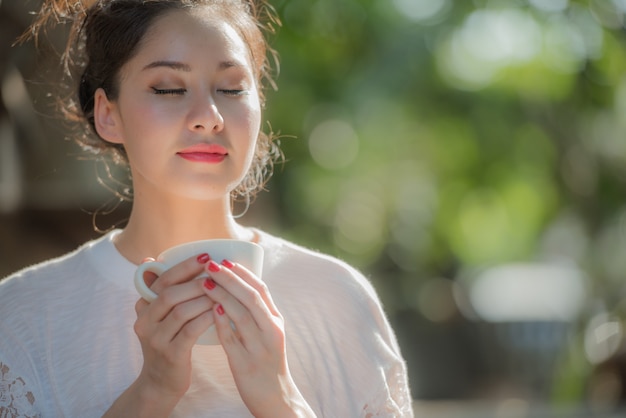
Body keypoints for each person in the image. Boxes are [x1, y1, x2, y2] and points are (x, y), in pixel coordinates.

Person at [0, 0, 413, 416]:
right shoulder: (22, 318)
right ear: (109, 114)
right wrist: (151, 392)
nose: (209, 117)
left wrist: (279, 396)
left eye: (232, 88)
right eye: (168, 88)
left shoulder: (338, 299)